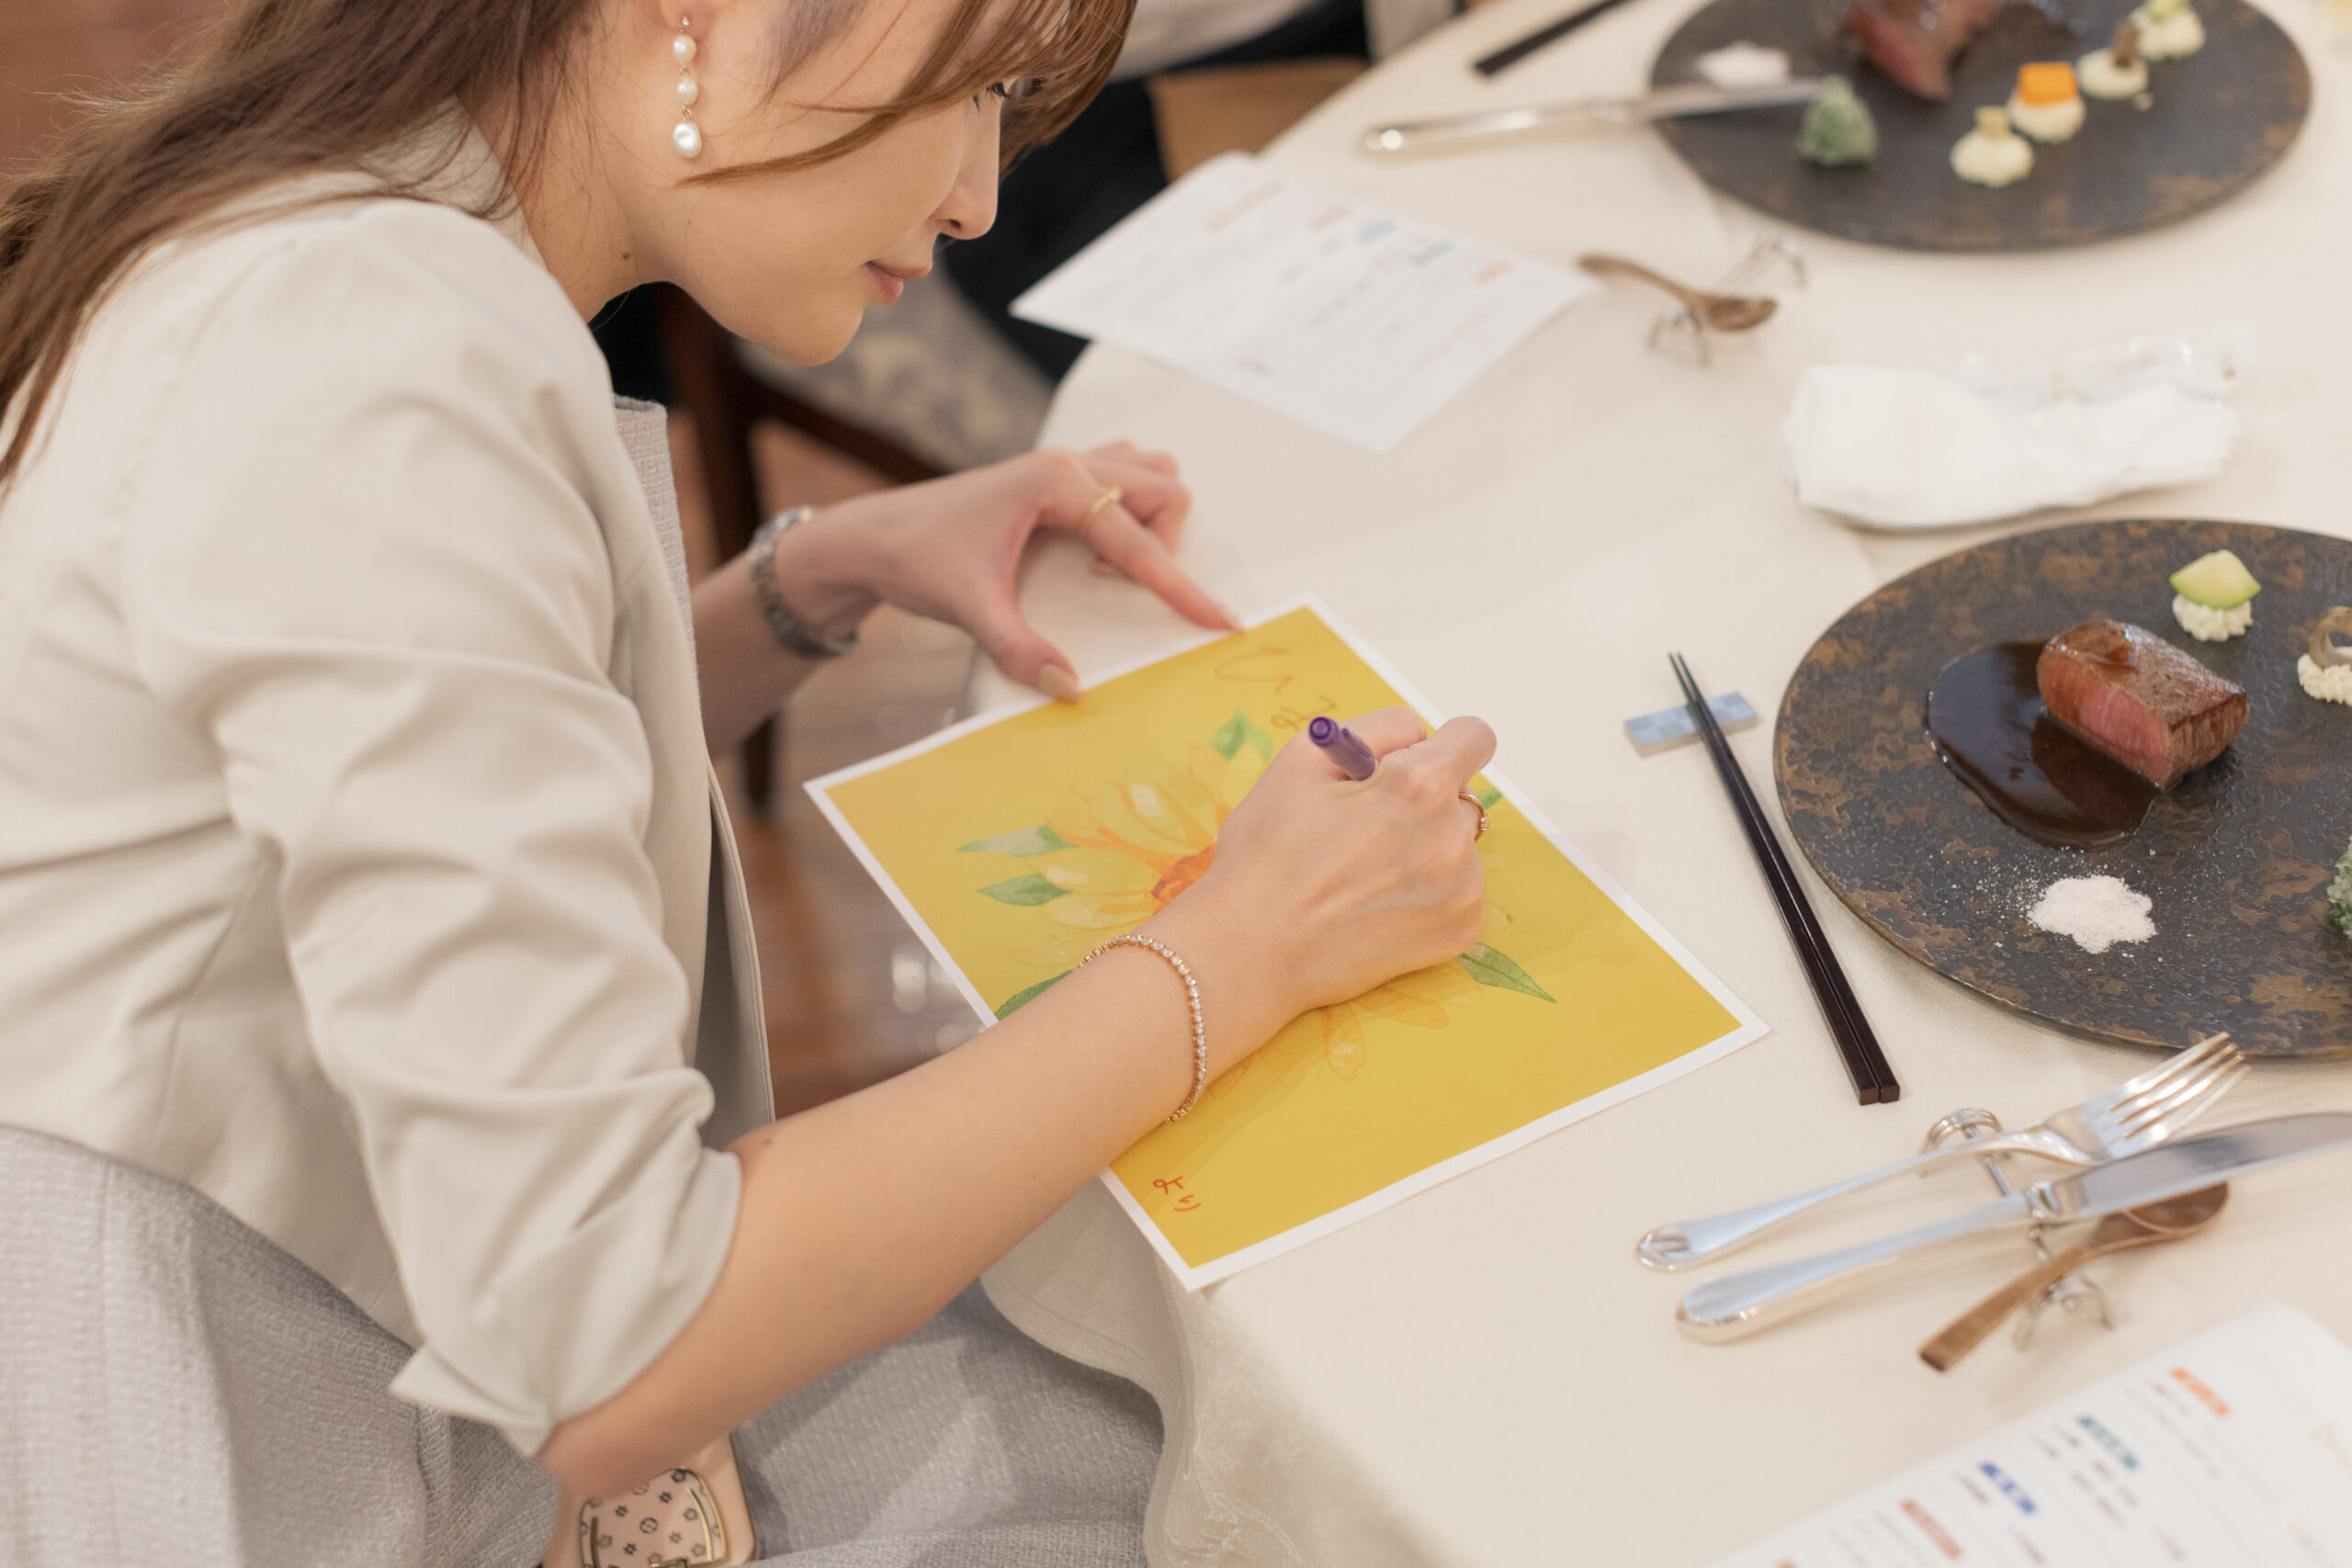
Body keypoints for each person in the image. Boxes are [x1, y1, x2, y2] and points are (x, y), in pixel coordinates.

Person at [0, 0, 1495, 1559]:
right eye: (975, 82)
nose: (978, 196)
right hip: (299, 1470)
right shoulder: (370, 384)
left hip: (390, 1368)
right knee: (1243, 1477)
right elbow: (618, 1347)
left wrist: (821, 575)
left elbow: (439, 807)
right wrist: (1243, 947)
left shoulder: (341, 233)